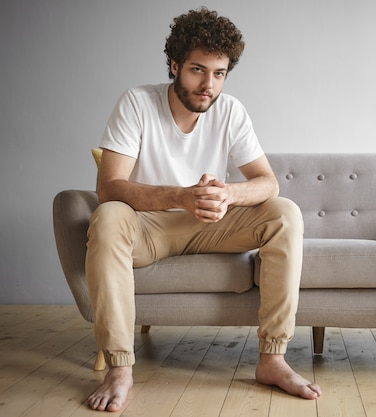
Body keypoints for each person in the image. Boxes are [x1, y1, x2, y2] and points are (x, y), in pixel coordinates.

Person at [85, 8, 322, 412]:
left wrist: (228, 194)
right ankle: (119, 369)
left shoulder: (230, 110)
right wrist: (180, 196)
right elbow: (109, 187)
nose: (208, 84)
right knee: (106, 216)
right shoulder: (137, 102)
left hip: (212, 225)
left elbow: (268, 182)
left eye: (219, 73)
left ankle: (273, 359)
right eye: (197, 69)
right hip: (147, 229)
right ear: (174, 64)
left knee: (284, 212)